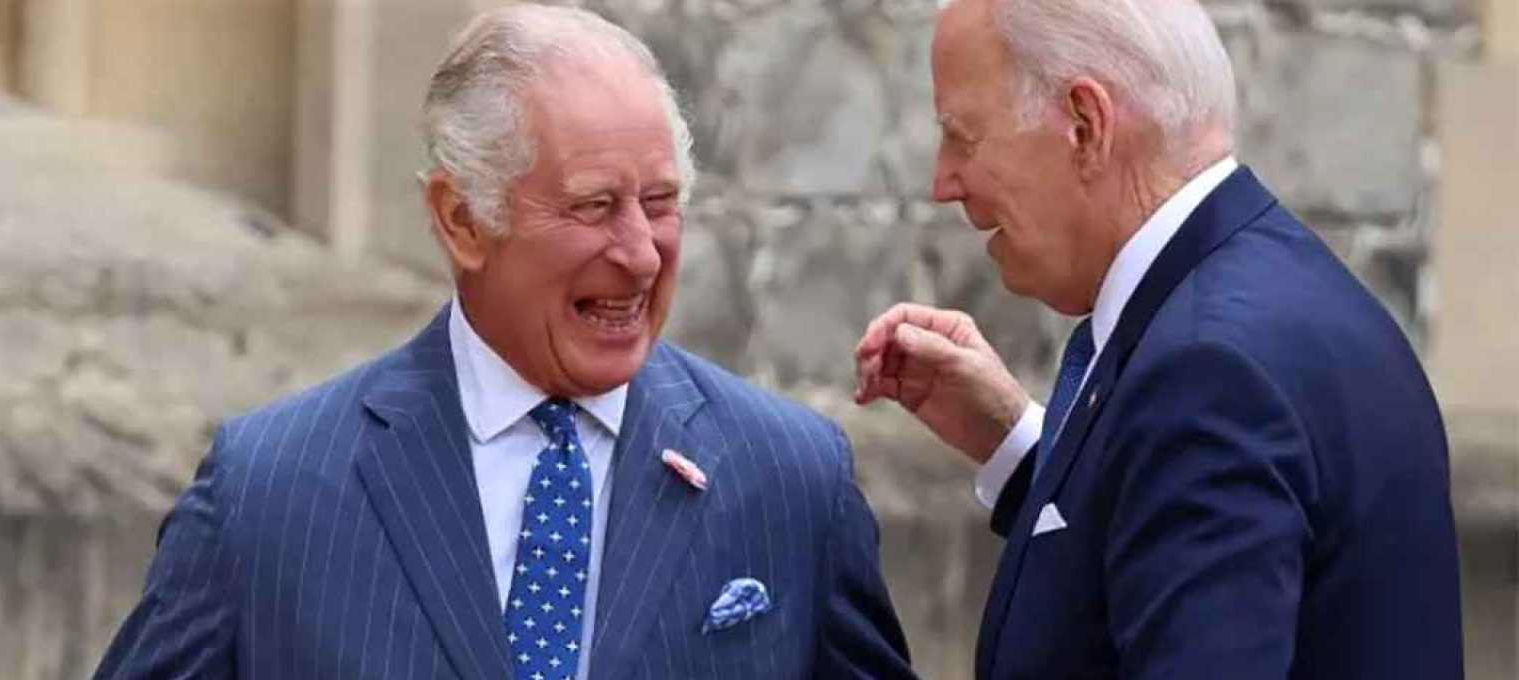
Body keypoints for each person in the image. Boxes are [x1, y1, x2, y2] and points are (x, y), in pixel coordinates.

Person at [96, 6, 915, 679]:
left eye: (661, 202)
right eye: (594, 207)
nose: (641, 254)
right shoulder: (269, 492)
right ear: (462, 220)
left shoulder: (792, 481)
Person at [854, 0, 1462, 678]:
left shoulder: (1208, 373)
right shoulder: (1294, 298)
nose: (943, 183)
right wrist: (1020, 446)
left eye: (963, 139)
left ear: (1086, 125)